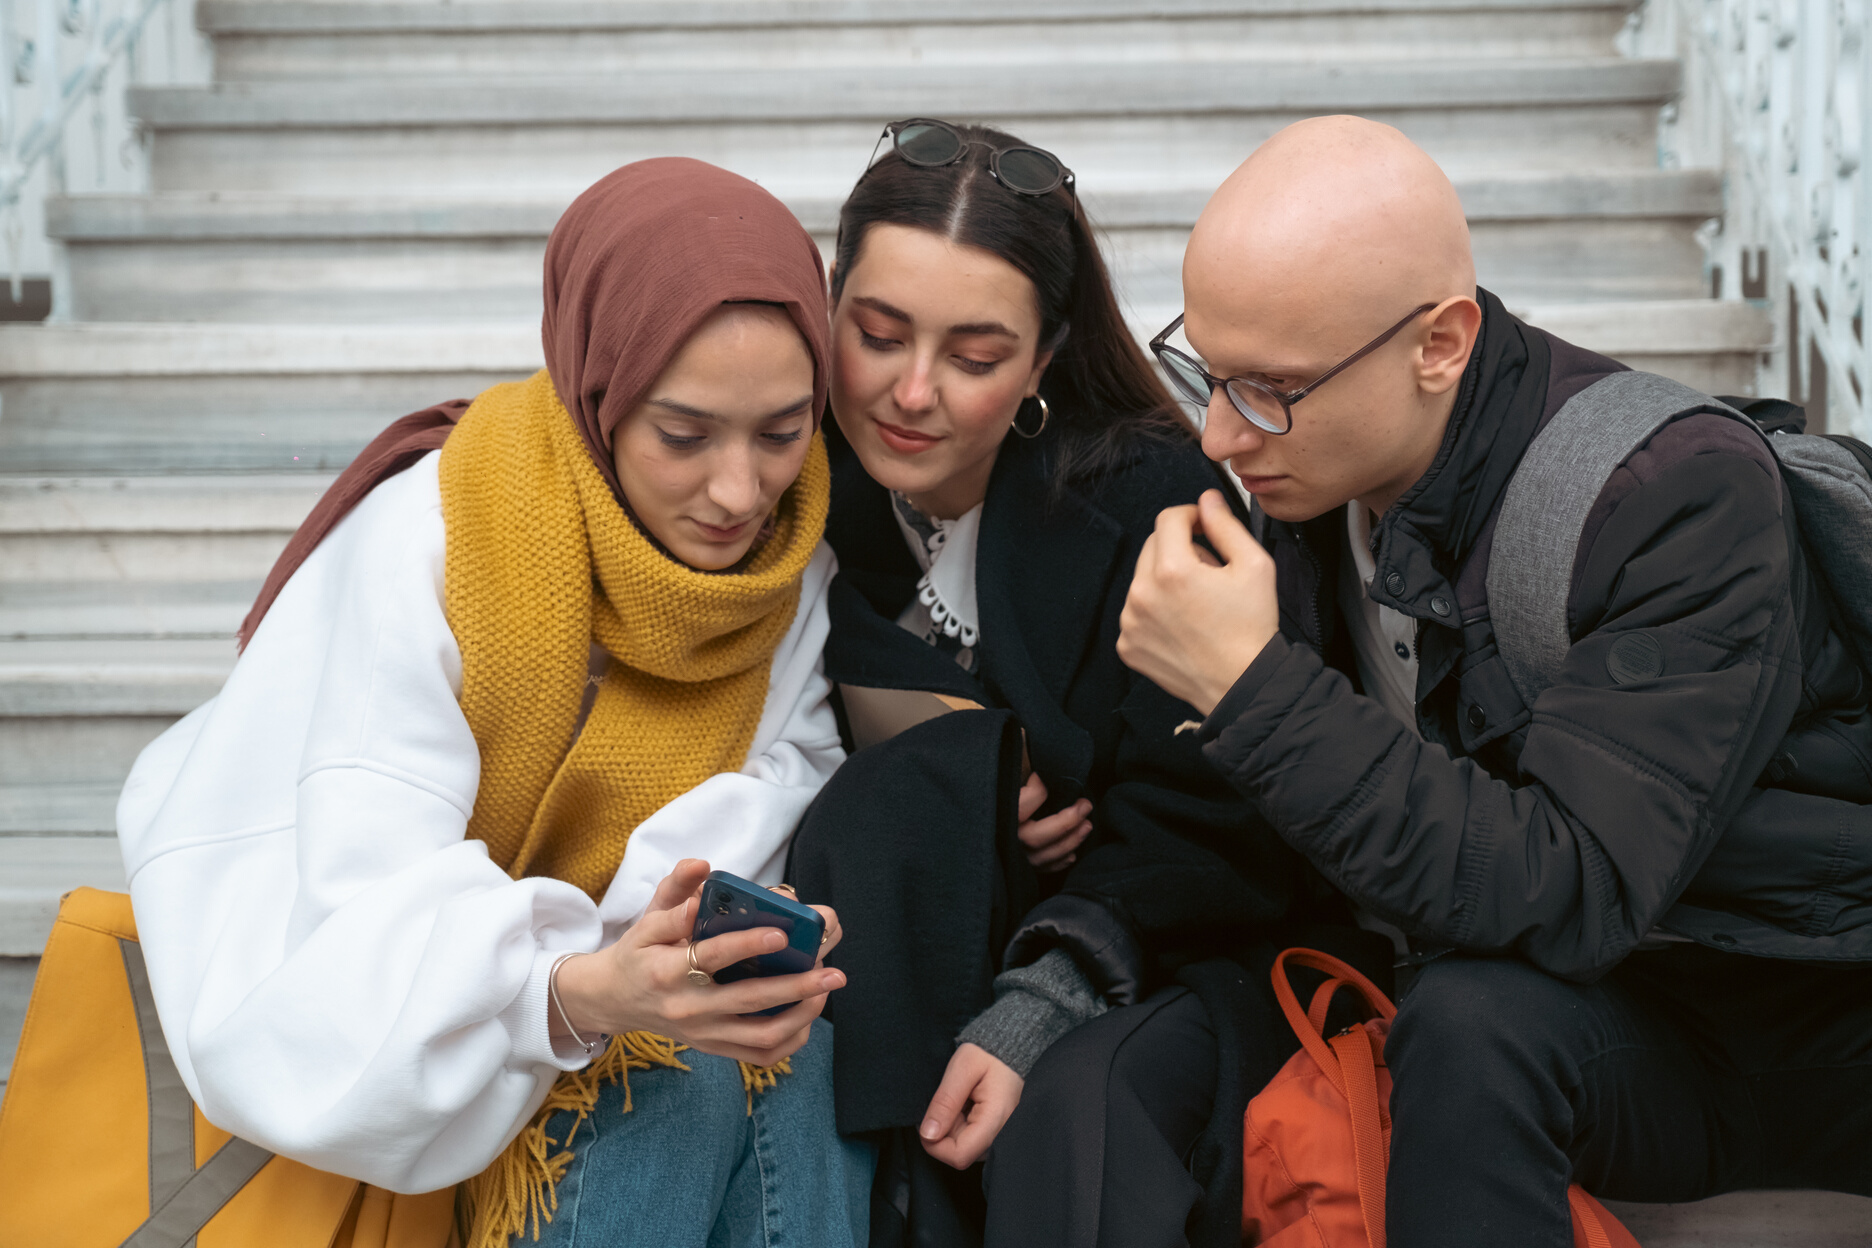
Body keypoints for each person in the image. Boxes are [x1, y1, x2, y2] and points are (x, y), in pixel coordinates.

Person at [1117, 115, 1872, 1247]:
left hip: (1816, 1020)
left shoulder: (1674, 494)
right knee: (1460, 1026)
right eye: (1206, 374)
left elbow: (1571, 890)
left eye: (1271, 388)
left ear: (1441, 343)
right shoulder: (1303, 491)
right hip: (1627, 1012)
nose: (1223, 432)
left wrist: (1252, 695)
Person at [115, 159, 873, 1248]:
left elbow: (785, 780)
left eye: (783, 432)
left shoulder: (791, 569)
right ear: (600, 389)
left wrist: (682, 953)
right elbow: (358, 890)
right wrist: (573, 987)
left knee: (784, 1059)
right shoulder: (435, 536)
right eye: (684, 434)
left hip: (602, 998)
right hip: (383, 1015)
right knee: (672, 1087)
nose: (741, 493)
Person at [786, 118, 1379, 1248]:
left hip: (1164, 954)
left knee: (1072, 1113)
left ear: (1044, 361)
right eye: (874, 334)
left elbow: (1214, 820)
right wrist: (964, 798)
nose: (911, 393)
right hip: (886, 946)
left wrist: (1049, 989)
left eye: (972, 357)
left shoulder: (1153, 499)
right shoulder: (783, 475)